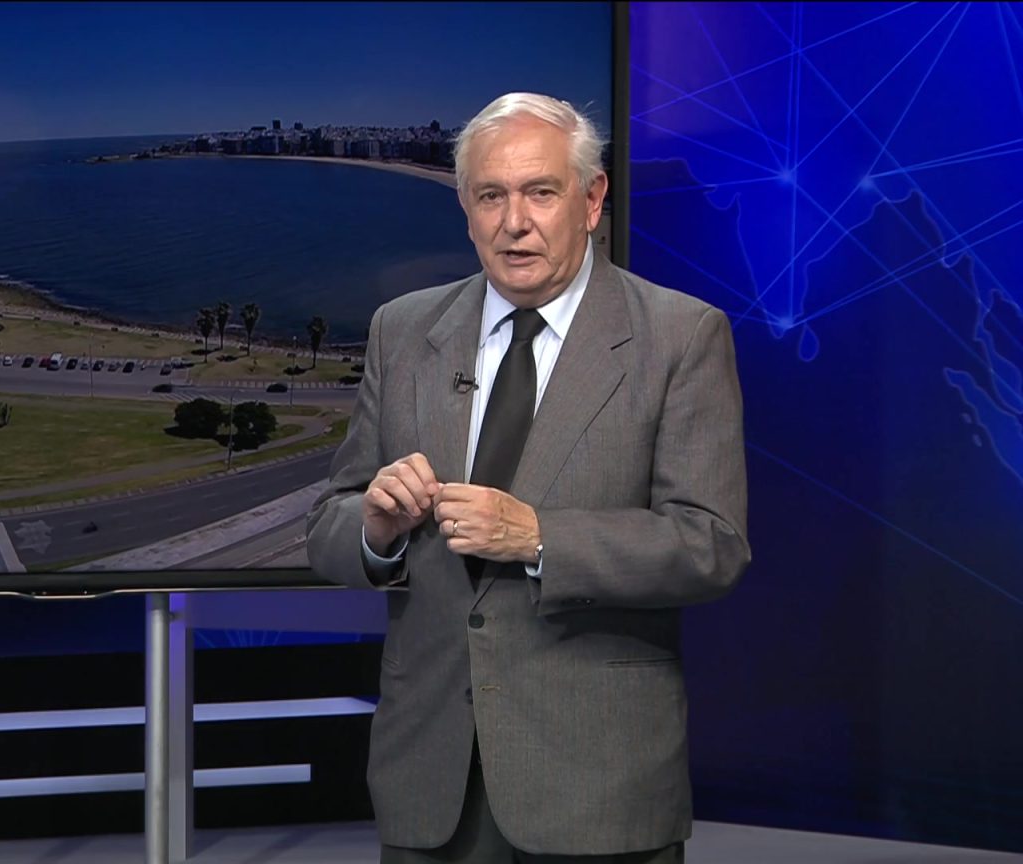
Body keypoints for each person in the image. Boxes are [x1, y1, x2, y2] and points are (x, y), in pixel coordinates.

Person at [305, 93, 750, 863]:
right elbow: (328, 528)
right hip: (431, 778)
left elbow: (711, 545)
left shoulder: (680, 337)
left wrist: (541, 538)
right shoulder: (402, 331)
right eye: (491, 196)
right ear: (466, 210)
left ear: (592, 200)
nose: (515, 222)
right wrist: (375, 531)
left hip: (597, 783)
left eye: (541, 192)